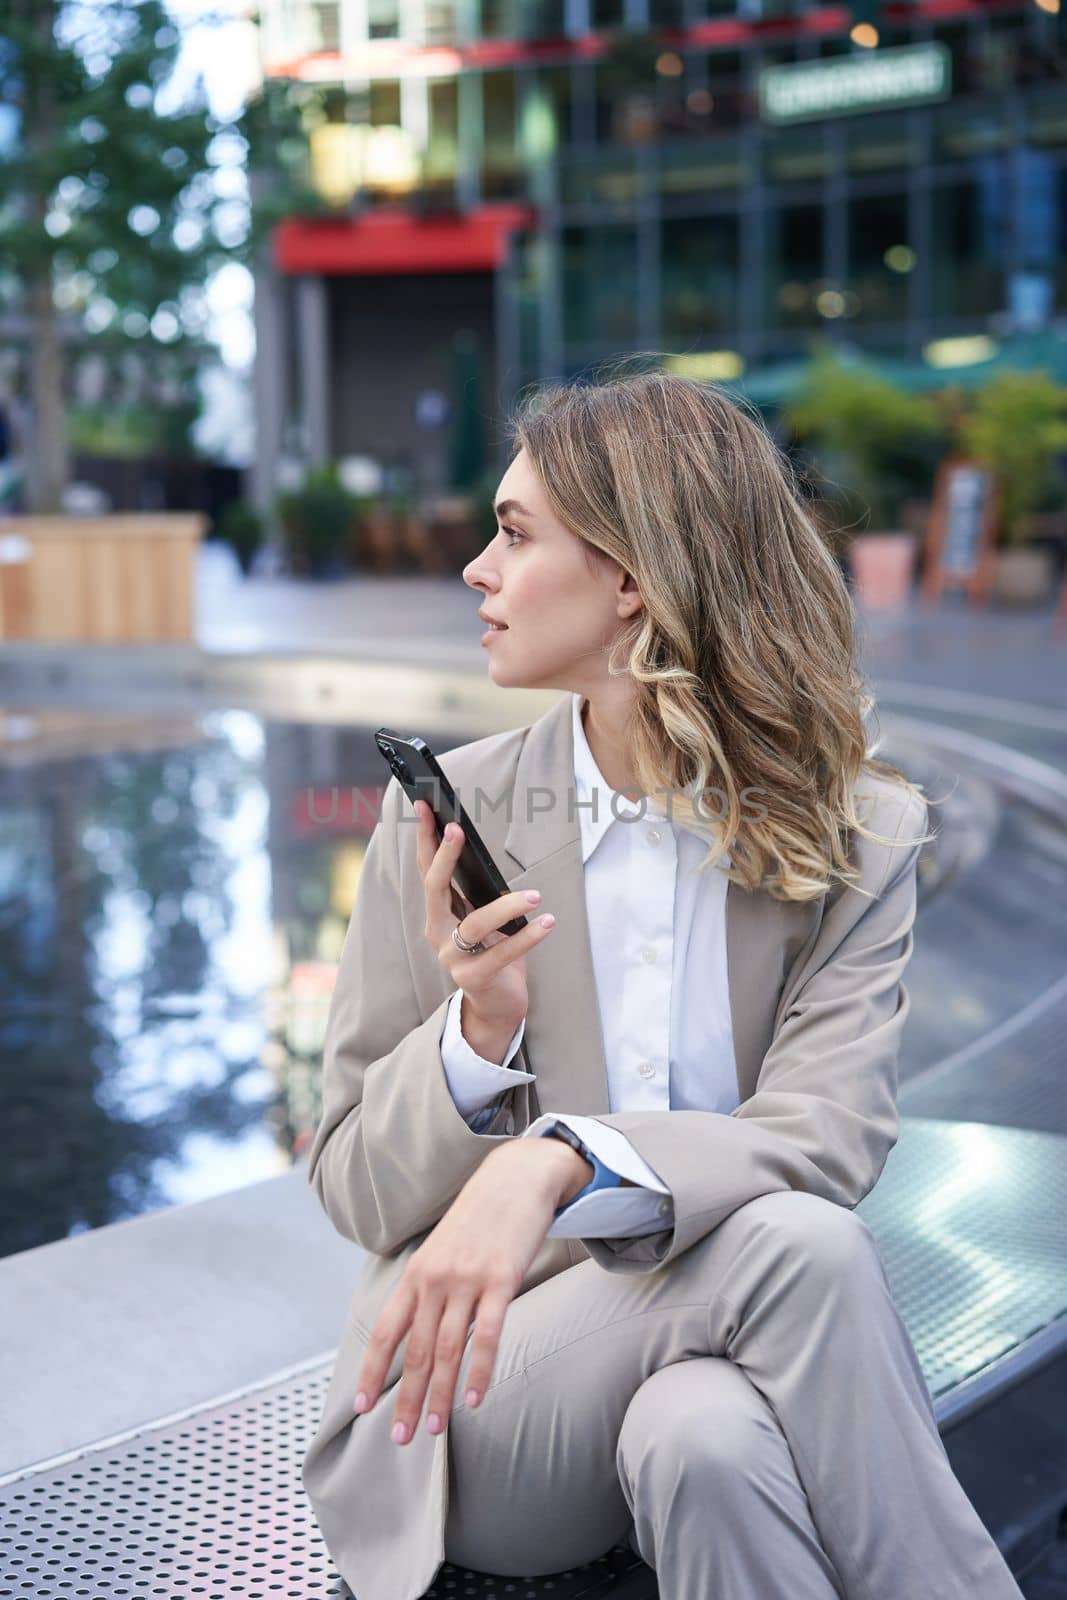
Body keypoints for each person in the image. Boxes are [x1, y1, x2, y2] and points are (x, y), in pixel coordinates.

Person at [301, 368, 1024, 1600]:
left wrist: (557, 1158)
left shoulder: (856, 832)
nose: (475, 567)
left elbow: (826, 1134)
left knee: (703, 1445)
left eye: (515, 533)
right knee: (802, 1247)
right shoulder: (450, 815)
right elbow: (354, 1189)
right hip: (473, 1396)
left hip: (713, 1368)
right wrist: (477, 1035)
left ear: (631, 579)